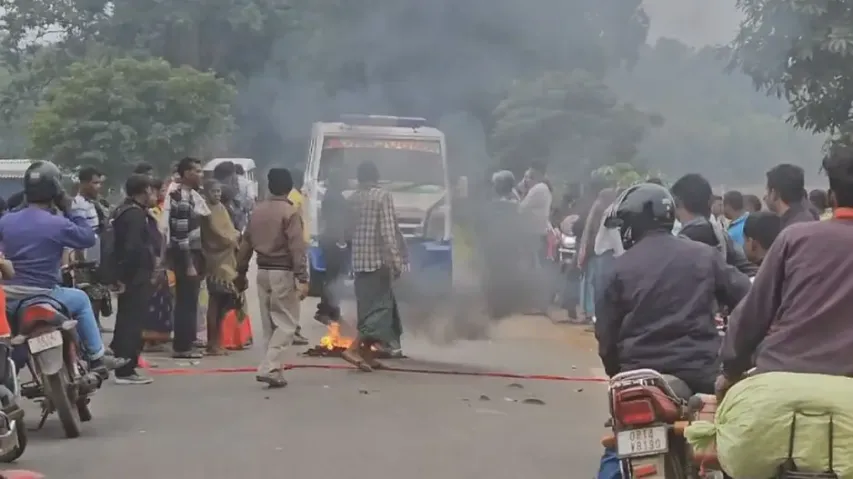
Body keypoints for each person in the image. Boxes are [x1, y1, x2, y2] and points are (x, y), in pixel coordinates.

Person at [595, 183, 750, 479]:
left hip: (641, 377)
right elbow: (748, 300)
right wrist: (737, 349)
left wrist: (619, 375)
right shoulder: (704, 255)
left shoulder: (617, 269)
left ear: (635, 222)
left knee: (619, 449)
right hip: (703, 373)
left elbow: (606, 338)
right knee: (733, 446)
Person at [716, 145, 853, 400]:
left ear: (831, 197)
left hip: (780, 379)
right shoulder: (795, 232)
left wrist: (730, 371)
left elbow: (753, 313)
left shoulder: (794, 237)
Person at [0, 161, 127, 377]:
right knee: (81, 299)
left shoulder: (6, 221)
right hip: (45, 293)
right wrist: (69, 209)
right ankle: (96, 358)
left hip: (8, 297)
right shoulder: (58, 223)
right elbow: (87, 238)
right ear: (56, 190)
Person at [237, 168, 307, 388]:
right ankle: (269, 367)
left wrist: (240, 272)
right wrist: (302, 277)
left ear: (269, 186)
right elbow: (297, 247)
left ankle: (274, 369)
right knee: (286, 324)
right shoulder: (290, 212)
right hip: (282, 272)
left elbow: (245, 244)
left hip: (263, 272)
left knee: (269, 325)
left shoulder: (258, 211)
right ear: (289, 187)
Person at [340, 161, 407, 372]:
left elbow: (346, 234)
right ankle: (353, 349)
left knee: (367, 311)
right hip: (378, 263)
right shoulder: (382, 196)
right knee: (381, 312)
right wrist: (396, 262)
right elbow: (388, 233)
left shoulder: (352, 199)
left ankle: (367, 356)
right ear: (376, 176)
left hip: (359, 264)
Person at [111, 174, 161, 385]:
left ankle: (121, 361)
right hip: (135, 277)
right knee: (132, 322)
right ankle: (125, 369)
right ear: (145, 190)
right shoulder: (135, 215)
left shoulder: (125, 210)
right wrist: (126, 276)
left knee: (127, 319)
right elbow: (132, 249)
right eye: (151, 189)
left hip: (131, 276)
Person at [670, 173, 758, 276]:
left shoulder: (680, 244)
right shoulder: (722, 236)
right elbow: (750, 270)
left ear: (677, 202)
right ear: (710, 202)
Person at [167, 157, 209, 359]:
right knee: (186, 302)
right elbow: (180, 236)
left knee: (191, 301)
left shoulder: (192, 196)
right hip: (186, 255)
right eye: (197, 171)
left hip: (193, 253)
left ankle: (188, 340)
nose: (201, 175)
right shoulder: (183, 199)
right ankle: (182, 347)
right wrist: (189, 264)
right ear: (186, 174)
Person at [200, 179, 241, 356]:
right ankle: (212, 343)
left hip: (228, 258)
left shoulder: (221, 208)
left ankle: (218, 341)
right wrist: (232, 239)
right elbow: (214, 235)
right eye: (213, 191)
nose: (217, 194)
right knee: (215, 301)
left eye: (218, 191)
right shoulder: (205, 211)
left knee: (225, 302)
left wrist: (235, 235)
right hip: (215, 260)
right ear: (206, 192)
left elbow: (229, 228)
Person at [70, 166, 111, 330]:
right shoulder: (78, 204)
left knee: (99, 294)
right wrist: (84, 262)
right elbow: (79, 233)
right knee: (90, 295)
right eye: (95, 183)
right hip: (86, 257)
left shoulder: (93, 203)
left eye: (100, 183)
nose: (98, 187)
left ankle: (95, 327)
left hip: (96, 252)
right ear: (84, 183)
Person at [577, 188, 618, 323]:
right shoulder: (606, 211)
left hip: (592, 250)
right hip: (600, 252)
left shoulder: (597, 210)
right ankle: (592, 311)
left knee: (589, 281)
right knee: (596, 282)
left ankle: (589, 311)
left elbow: (587, 233)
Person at [142, 178, 173, 350]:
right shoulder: (146, 215)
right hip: (151, 264)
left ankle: (156, 338)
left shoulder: (157, 212)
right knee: (150, 303)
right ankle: (147, 339)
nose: (159, 195)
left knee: (161, 302)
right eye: (156, 191)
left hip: (160, 263)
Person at [315, 166, 349, 324]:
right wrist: (341, 242)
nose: (347, 181)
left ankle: (333, 310)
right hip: (334, 241)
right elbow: (337, 222)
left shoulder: (331, 195)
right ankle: (325, 311)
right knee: (334, 277)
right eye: (345, 178)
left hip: (329, 239)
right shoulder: (336, 198)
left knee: (334, 277)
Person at [286, 168, 310, 346]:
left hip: (299, 245)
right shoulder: (294, 198)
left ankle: (292, 329)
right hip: (296, 247)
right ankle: (292, 330)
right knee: (293, 293)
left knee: (292, 293)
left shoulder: (297, 196)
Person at [764, 164, 818, 229]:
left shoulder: (792, 227)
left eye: (767, 191)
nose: (764, 197)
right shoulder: (810, 215)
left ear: (774, 193)